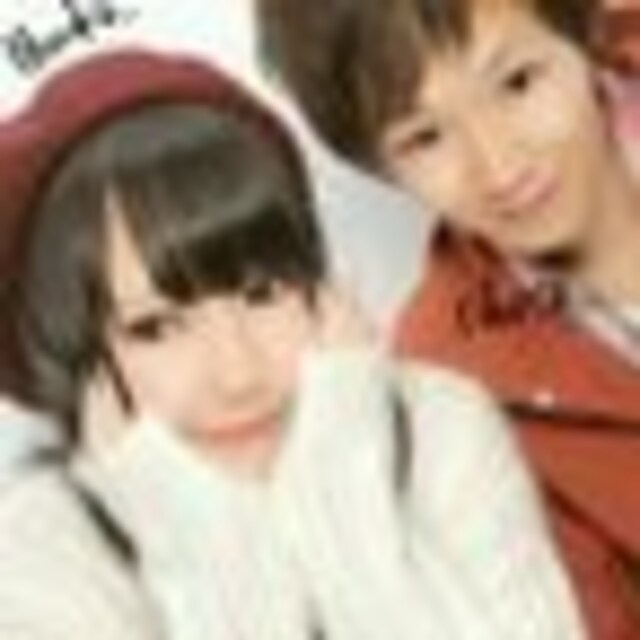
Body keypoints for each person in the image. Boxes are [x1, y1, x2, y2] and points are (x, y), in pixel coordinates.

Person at [0, 47, 584, 639]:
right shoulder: (42, 553)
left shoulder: (436, 425)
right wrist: (194, 543)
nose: (238, 374)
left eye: (262, 294)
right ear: (70, 350)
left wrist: (342, 485)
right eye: (155, 328)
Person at [256, 0, 640, 637]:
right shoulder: (444, 387)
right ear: (379, 166)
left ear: (581, 38)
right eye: (425, 138)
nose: (500, 167)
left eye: (518, 83)